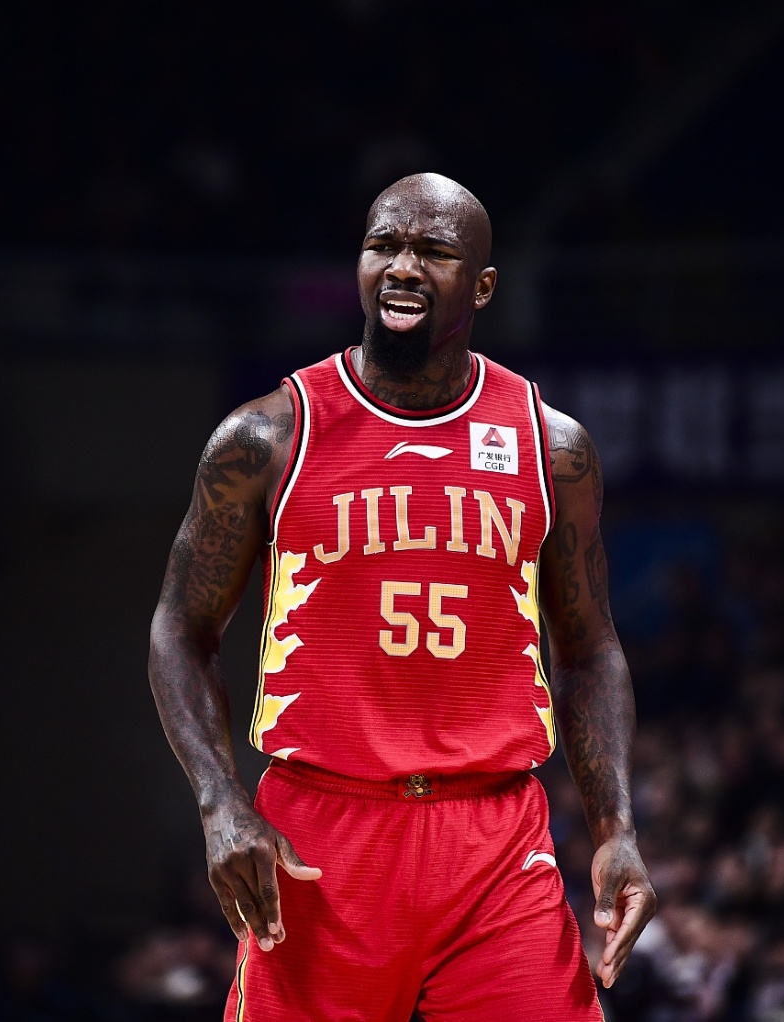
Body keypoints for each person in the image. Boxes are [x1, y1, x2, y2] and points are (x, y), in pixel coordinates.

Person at [149, 173, 656, 1020]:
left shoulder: (550, 446)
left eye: (433, 251)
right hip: (322, 835)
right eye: (382, 245)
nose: (402, 267)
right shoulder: (267, 435)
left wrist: (616, 831)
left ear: (482, 286)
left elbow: (591, 649)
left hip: (492, 841)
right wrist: (219, 803)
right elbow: (180, 628)